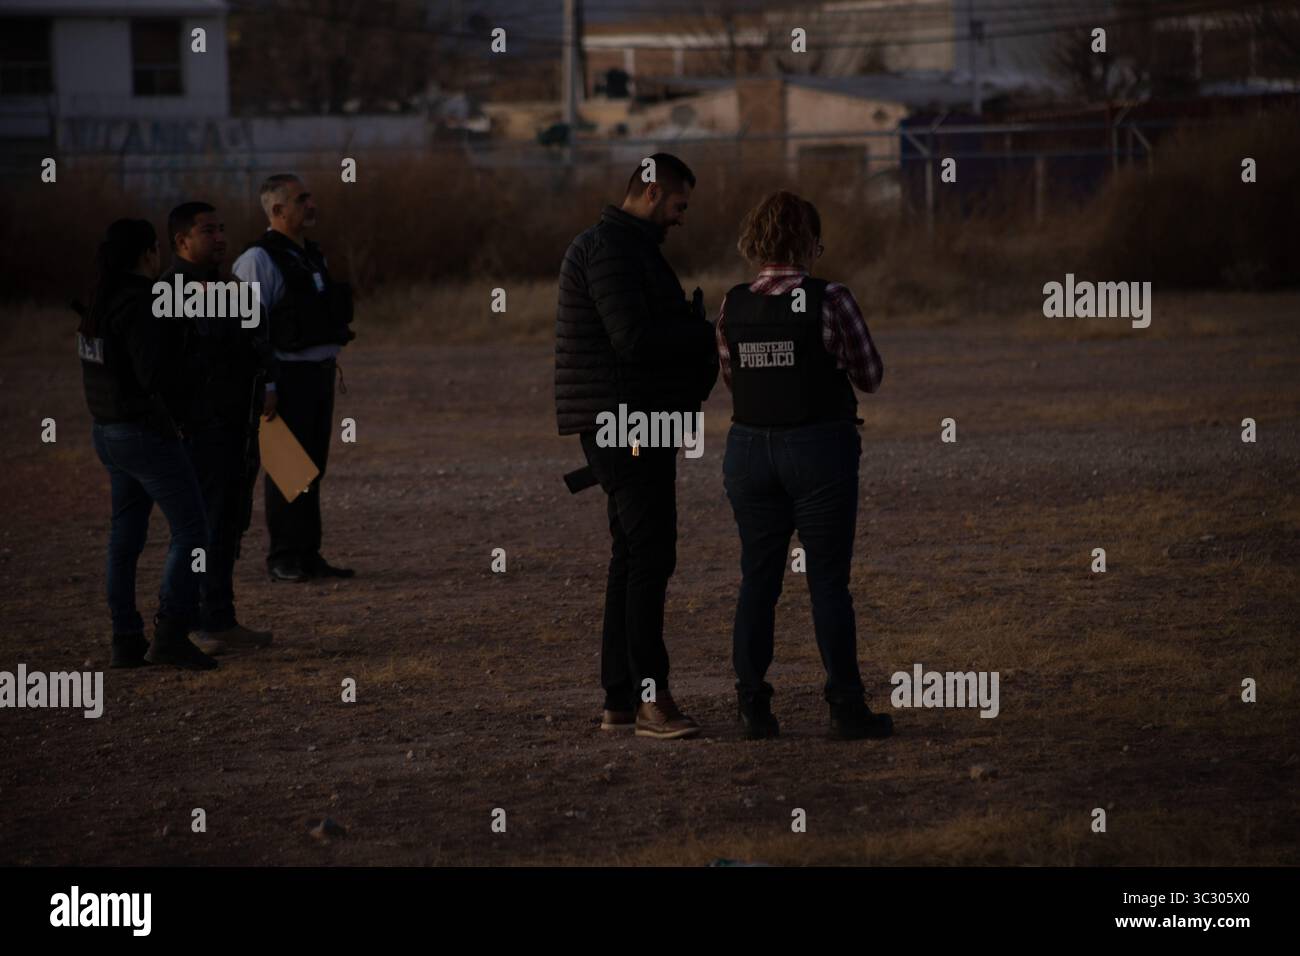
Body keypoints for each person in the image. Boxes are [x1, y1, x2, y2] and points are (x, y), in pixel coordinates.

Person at [716, 191, 893, 740]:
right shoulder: (832, 298)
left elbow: (731, 378)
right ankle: (845, 707)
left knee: (757, 582)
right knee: (828, 585)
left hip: (747, 450)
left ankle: (752, 707)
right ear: (810, 242)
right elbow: (869, 376)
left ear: (756, 242)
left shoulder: (732, 304)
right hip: (819, 449)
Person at [555, 153, 718, 740]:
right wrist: (702, 333)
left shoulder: (625, 250)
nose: (680, 217)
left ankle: (620, 701)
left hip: (630, 423)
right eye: (678, 205)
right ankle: (653, 701)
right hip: (625, 426)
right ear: (650, 192)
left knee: (632, 558)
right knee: (650, 557)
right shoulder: (613, 250)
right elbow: (634, 338)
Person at [77, 218, 218, 670]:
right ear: (147, 253)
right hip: (143, 434)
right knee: (194, 531)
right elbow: (155, 375)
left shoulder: (100, 302)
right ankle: (173, 631)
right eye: (155, 249)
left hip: (108, 432)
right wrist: (196, 361)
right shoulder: (141, 304)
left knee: (125, 538)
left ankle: (126, 637)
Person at [231, 174, 355, 583]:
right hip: (285, 379)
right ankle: (284, 557)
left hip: (317, 375)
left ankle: (308, 554)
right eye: (303, 199)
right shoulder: (257, 260)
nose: (312, 204)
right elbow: (250, 328)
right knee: (288, 470)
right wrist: (265, 385)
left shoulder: (309, 254)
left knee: (312, 469)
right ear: (278, 210)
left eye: (310, 196)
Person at [169, 201, 275, 654]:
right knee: (203, 527)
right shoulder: (172, 291)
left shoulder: (225, 285)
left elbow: (253, 340)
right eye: (207, 231)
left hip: (236, 424)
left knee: (229, 523)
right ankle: (190, 624)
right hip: (200, 429)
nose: (219, 238)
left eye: (221, 229)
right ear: (182, 241)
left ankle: (220, 617)